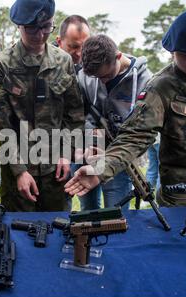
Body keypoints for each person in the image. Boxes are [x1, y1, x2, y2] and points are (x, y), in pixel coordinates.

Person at [65, 9, 186, 207]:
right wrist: (102, 169)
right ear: (173, 52)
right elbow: (135, 137)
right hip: (183, 197)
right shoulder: (160, 87)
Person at [0, 0, 85, 212]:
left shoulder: (63, 61)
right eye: (32, 28)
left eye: (46, 27)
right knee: (18, 234)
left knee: (59, 232)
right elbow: (1, 124)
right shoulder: (3, 64)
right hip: (18, 169)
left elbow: (75, 115)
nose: (40, 34)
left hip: (55, 170)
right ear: (20, 26)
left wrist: (66, 154)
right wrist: (19, 171)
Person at [75, 34, 152, 213]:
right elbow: (79, 114)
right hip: (87, 153)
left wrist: (110, 155)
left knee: (116, 212)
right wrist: (90, 144)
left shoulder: (145, 81)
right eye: (98, 77)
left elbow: (142, 133)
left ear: (118, 56)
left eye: (107, 76)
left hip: (119, 160)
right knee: (88, 210)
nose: (103, 81)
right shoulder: (85, 75)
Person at [55, 14, 91, 210]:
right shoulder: (49, 66)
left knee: (94, 200)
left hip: (94, 141)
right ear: (60, 42)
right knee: (70, 194)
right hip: (60, 145)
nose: (80, 53)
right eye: (73, 47)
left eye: (84, 46)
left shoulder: (93, 63)